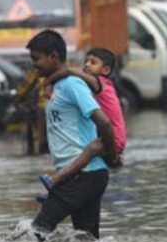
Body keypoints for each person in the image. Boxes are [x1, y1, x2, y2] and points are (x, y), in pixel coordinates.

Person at [23, 30, 118, 241]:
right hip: (84, 175)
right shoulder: (56, 86)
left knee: (36, 232)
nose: (34, 64)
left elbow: (103, 121)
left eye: (36, 59)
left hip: (83, 175)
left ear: (54, 57)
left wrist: (111, 155)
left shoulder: (72, 85)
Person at [39, 47, 127, 191]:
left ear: (105, 70)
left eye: (93, 62)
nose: (86, 65)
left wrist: (47, 82)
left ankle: (56, 179)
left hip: (113, 136)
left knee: (90, 150)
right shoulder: (99, 85)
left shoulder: (99, 83)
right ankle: (56, 190)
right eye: (86, 61)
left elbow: (69, 72)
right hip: (115, 136)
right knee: (90, 159)